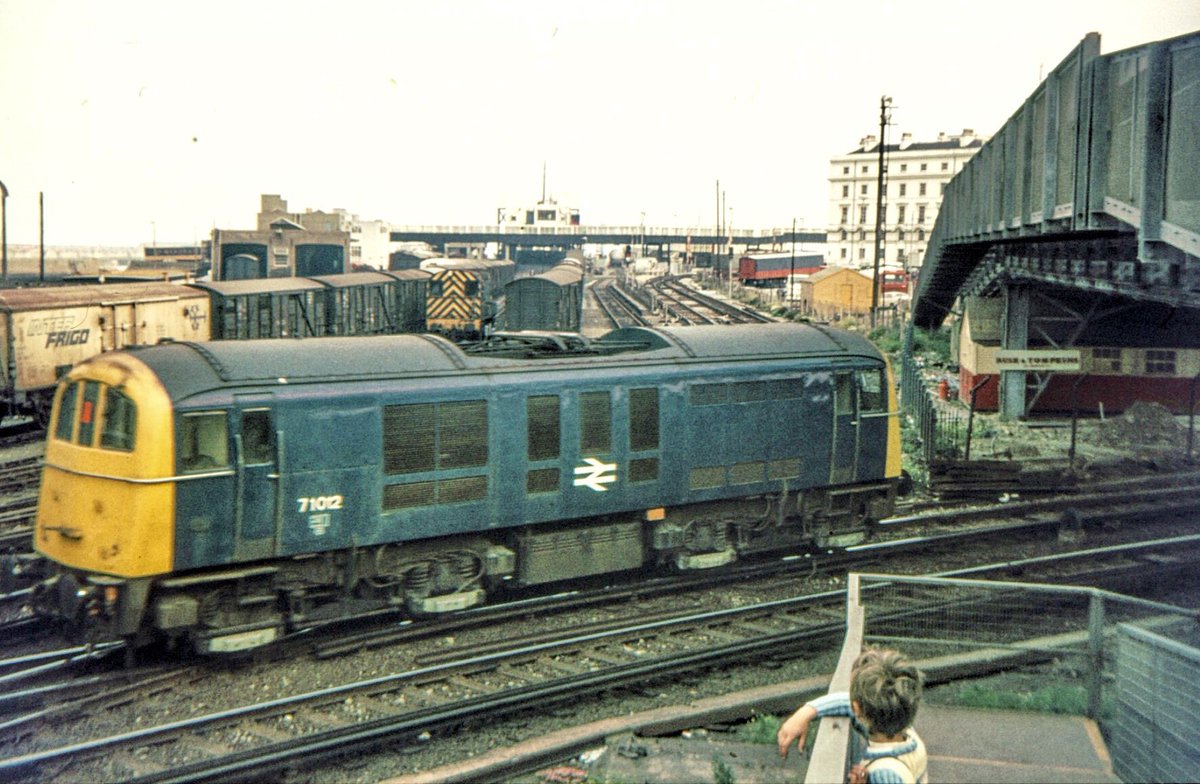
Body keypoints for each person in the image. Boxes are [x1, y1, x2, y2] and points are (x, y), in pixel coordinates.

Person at [777, 647, 928, 783]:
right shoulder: (906, 735)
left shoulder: (886, 775)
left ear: (857, 709)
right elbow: (848, 703)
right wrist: (808, 711)